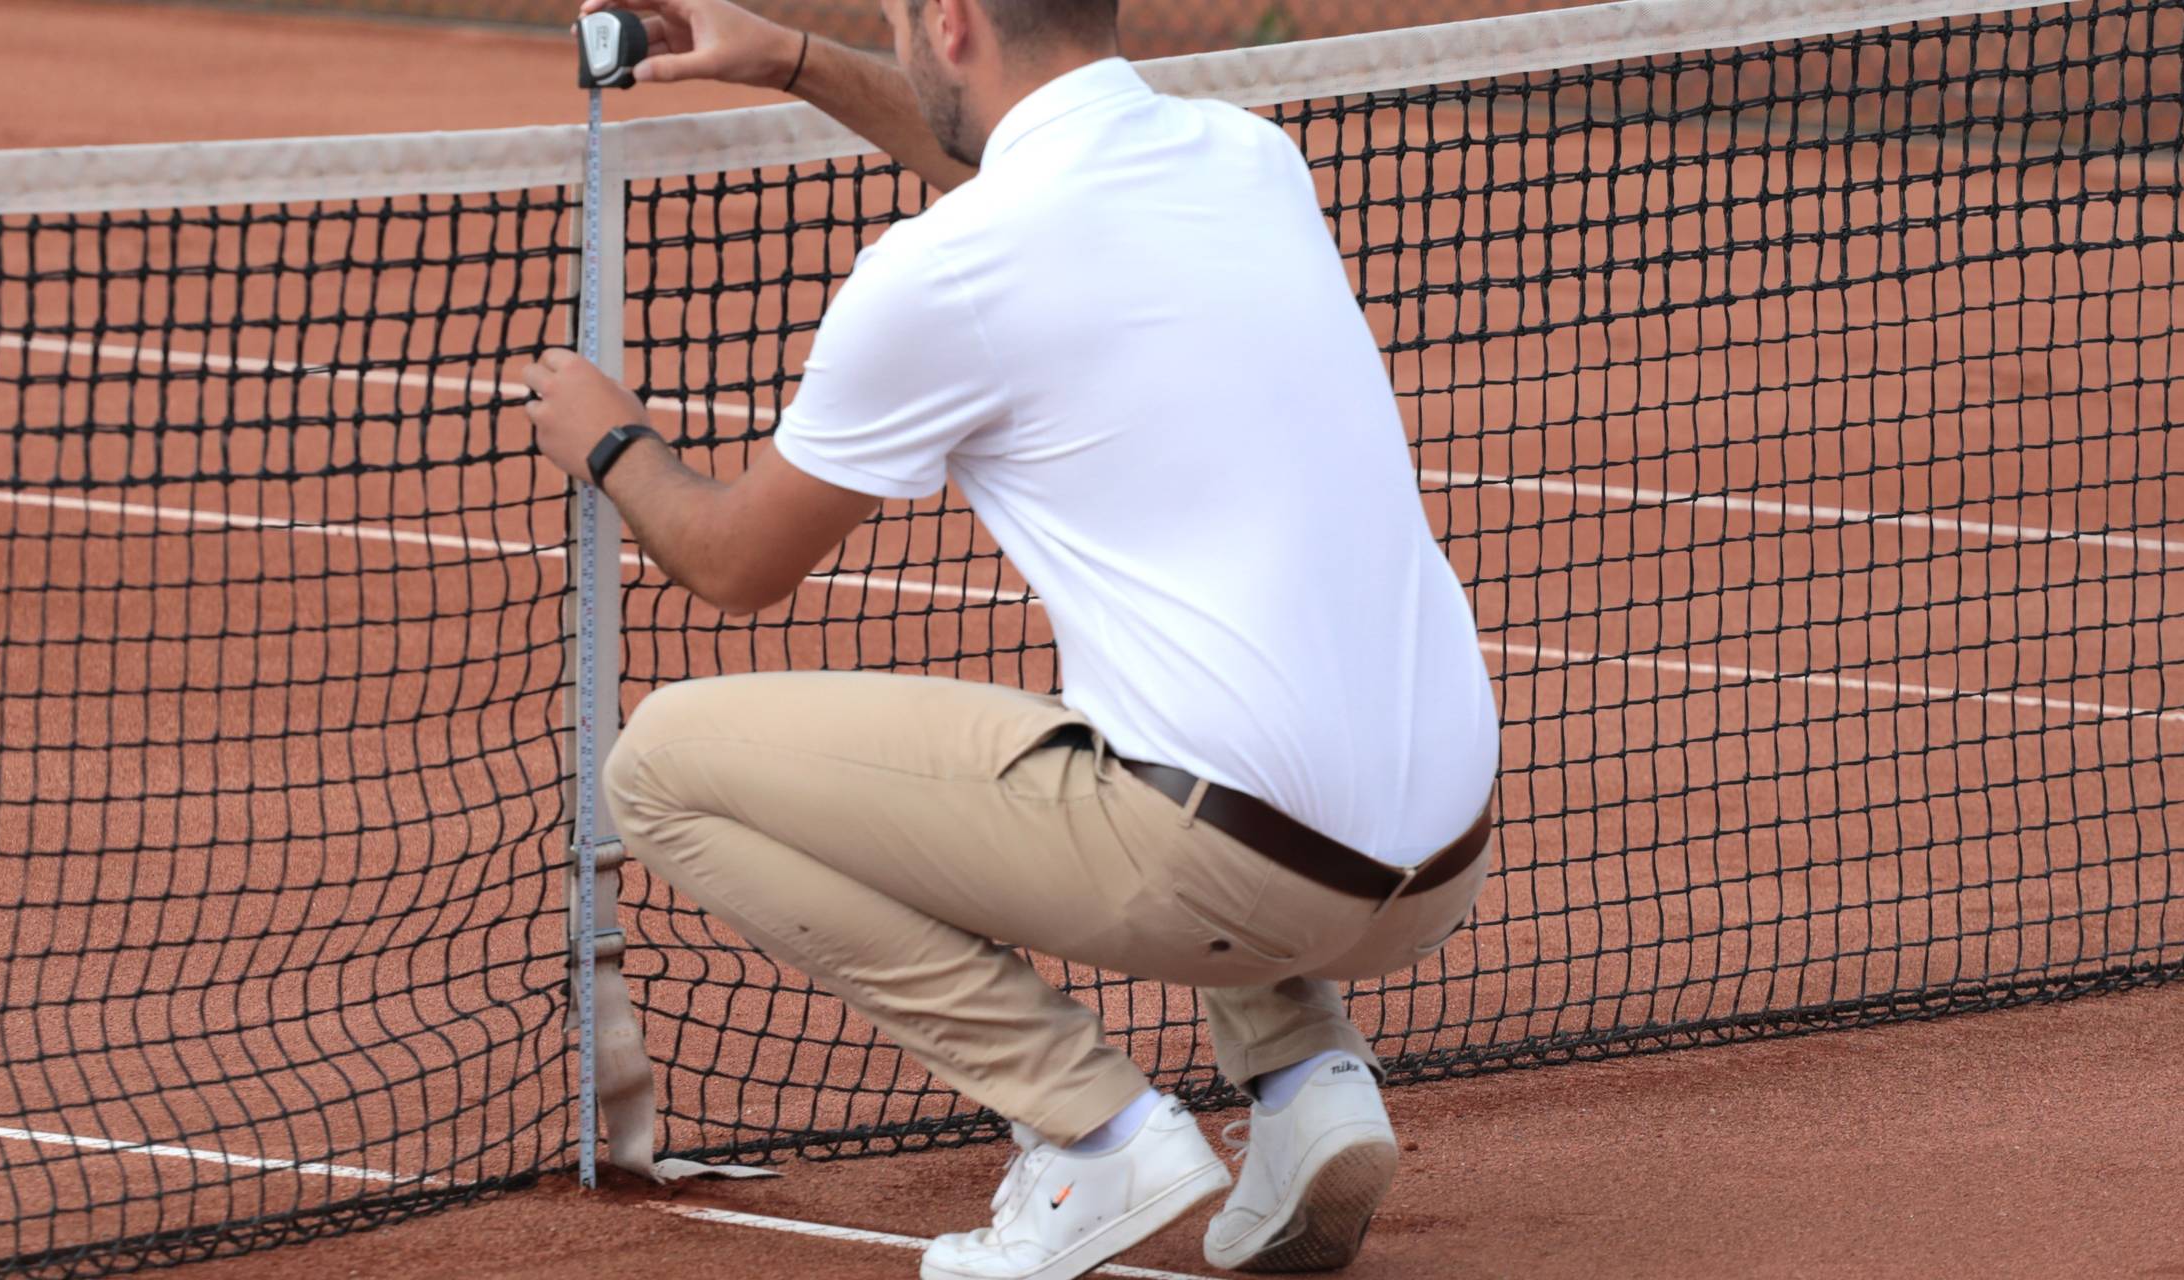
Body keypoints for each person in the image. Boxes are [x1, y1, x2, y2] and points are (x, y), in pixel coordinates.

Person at [514, 0, 1501, 1275]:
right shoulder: (1248, 160)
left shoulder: (943, 271)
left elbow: (731, 560)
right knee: (1165, 682)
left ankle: (1094, 1134)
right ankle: (1309, 1078)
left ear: (953, 22)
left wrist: (609, 437)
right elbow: (1011, 163)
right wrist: (791, 60)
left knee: (662, 762)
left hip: (1239, 871)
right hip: (1440, 862)